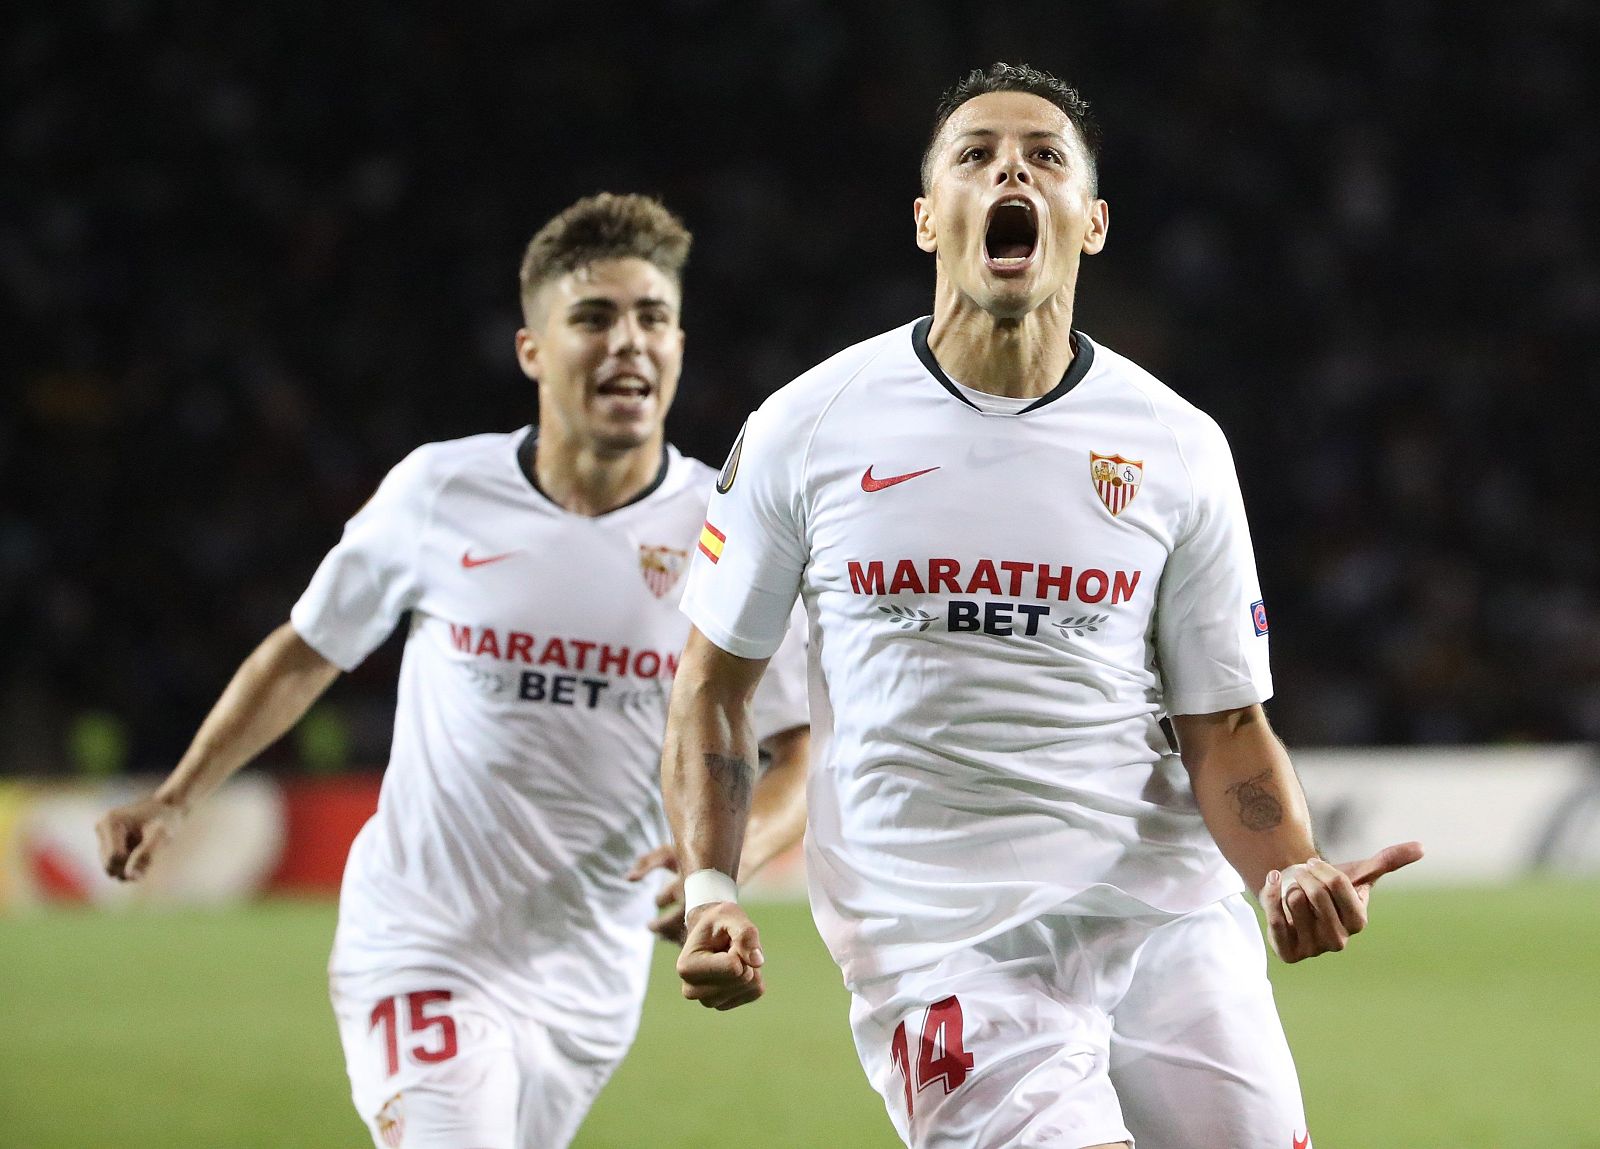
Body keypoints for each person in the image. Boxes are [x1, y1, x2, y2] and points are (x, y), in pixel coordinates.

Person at [660, 64, 1422, 1149]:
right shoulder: (807, 427)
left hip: (1165, 923)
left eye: (1044, 155)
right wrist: (709, 890)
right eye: (972, 155)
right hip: (941, 946)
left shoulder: (1176, 446)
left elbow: (1225, 726)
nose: (1009, 166)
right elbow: (713, 687)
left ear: (1092, 221)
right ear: (929, 219)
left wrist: (1285, 868)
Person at [95, 192, 810, 1149]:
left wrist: (730, 858)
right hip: (423, 941)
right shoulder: (439, 492)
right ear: (532, 351)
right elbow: (307, 651)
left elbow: (798, 745)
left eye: (653, 318)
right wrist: (178, 795)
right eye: (594, 317)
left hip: (591, 972)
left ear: (680, 345)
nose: (628, 342)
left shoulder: (723, 536)